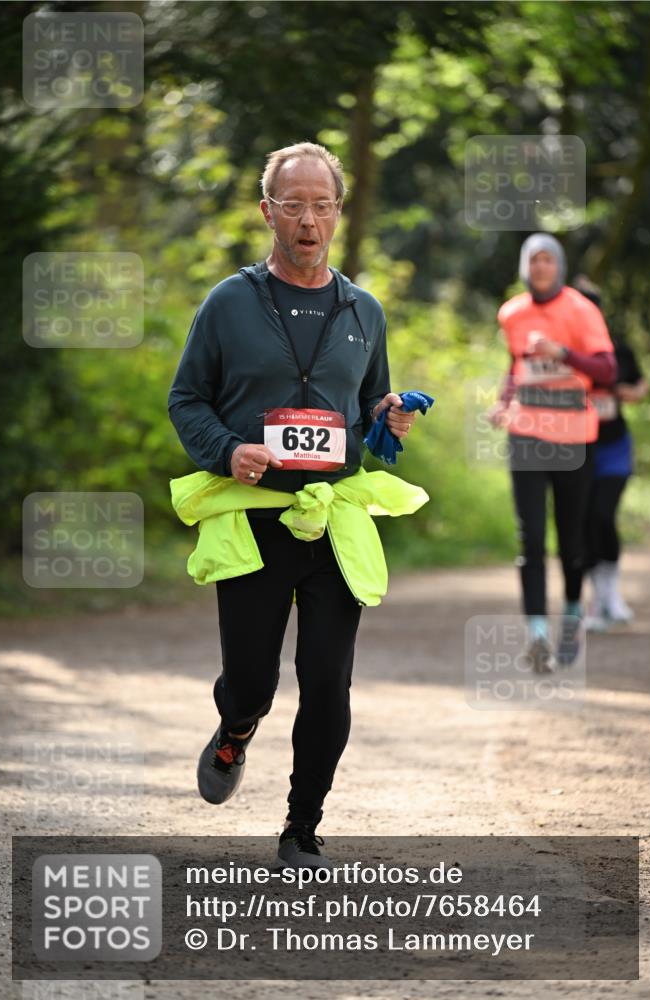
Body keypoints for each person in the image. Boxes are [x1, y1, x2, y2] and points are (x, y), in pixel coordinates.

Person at [167, 142, 417, 870]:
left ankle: (301, 826)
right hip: (254, 518)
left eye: (322, 204)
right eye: (293, 204)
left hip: (332, 518)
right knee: (251, 680)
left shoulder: (362, 310)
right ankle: (234, 728)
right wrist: (225, 450)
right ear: (266, 210)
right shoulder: (228, 304)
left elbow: (368, 410)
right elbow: (187, 399)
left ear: (338, 210)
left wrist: (388, 419)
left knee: (328, 681)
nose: (308, 220)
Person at [488, 234, 617, 671]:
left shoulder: (582, 309)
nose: (540, 267)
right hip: (527, 435)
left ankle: (573, 621)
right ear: (525, 267)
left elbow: (607, 369)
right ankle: (538, 636)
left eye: (547, 259)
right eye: (533, 260)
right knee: (531, 538)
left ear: (558, 265)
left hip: (574, 438)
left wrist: (564, 353)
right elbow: (516, 365)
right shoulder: (512, 313)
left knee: (571, 541)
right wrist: (505, 402)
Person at [572, 276, 649, 630]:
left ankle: (612, 595)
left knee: (604, 515)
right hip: (576, 449)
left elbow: (640, 385)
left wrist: (625, 393)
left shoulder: (618, 349)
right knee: (585, 522)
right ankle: (595, 602)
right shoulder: (562, 353)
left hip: (615, 447)